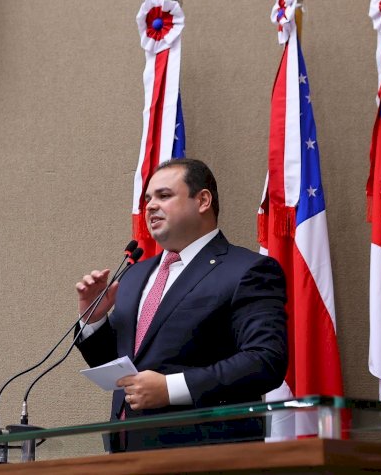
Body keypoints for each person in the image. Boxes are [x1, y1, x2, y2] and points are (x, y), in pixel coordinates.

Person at [75, 158, 287, 451]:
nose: (149, 206)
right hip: (127, 451)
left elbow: (265, 361)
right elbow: (120, 369)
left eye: (163, 196)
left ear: (202, 200)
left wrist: (171, 388)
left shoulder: (247, 270)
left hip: (206, 452)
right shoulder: (134, 275)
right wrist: (94, 320)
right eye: (148, 198)